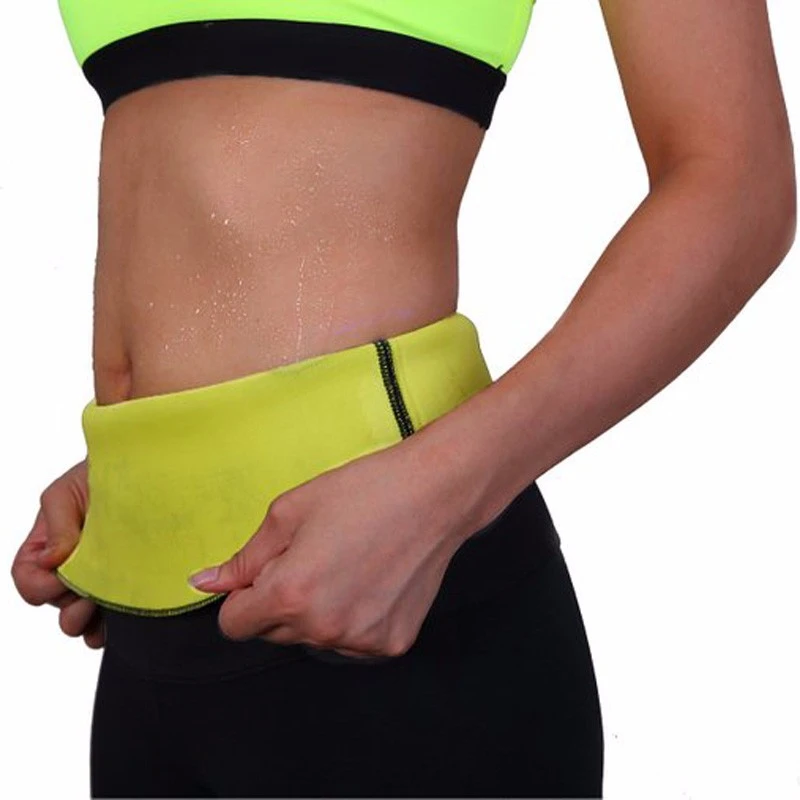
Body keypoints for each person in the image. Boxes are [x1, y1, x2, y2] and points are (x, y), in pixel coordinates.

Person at [10, 1, 796, 797]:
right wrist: (161, 464)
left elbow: (739, 182)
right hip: (149, 637)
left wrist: (439, 495)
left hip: (394, 608)